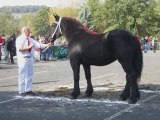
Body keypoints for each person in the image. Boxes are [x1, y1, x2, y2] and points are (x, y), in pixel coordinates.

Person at [16, 26, 51, 96]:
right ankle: (21, 90)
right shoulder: (20, 39)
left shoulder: (30, 39)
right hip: (23, 58)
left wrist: (47, 44)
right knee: (22, 74)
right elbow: (19, 48)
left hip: (30, 58)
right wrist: (28, 47)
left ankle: (28, 89)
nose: (29, 32)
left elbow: (38, 45)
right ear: (24, 31)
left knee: (29, 74)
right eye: (28, 30)